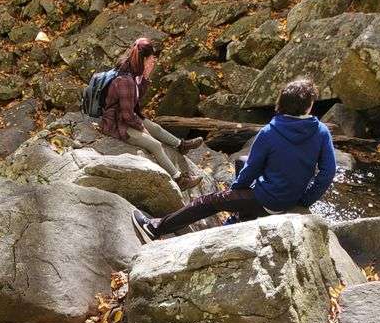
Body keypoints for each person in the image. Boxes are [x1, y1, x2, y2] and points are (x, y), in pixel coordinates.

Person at [132, 76, 337, 242]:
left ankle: (154, 228)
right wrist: (305, 199)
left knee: (209, 201)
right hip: (291, 196)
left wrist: (234, 192)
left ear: (282, 103)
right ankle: (242, 215)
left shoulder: (270, 132)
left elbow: (254, 170)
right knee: (241, 161)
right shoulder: (321, 131)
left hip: (270, 200)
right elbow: (328, 172)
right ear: (308, 107)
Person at [100, 37, 203, 189]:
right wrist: (142, 128)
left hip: (125, 117)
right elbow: (128, 116)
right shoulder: (125, 80)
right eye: (152, 58)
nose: (154, 62)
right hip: (116, 124)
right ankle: (179, 179)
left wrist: (146, 78)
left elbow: (136, 102)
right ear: (144, 59)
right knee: (155, 145)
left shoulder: (134, 73)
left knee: (156, 128)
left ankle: (181, 145)